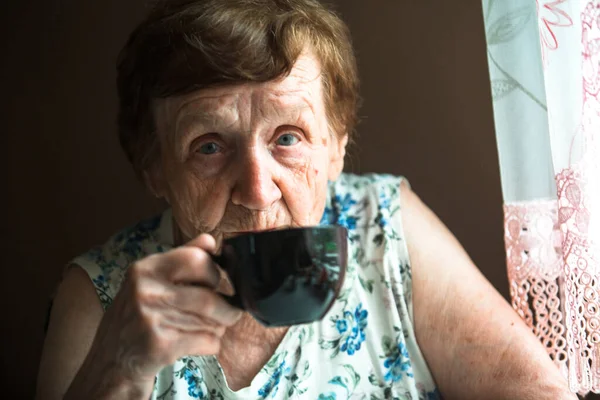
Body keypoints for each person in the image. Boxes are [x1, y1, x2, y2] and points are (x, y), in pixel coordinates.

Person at [35, 0, 577, 399]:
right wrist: (116, 370)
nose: (256, 189)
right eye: (208, 146)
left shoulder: (382, 226)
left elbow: (536, 391)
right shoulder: (101, 294)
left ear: (337, 148)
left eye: (287, 137)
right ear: (155, 168)